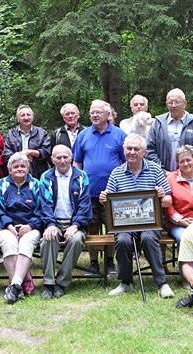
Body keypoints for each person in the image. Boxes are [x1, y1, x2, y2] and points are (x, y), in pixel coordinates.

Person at [99, 134, 175, 298]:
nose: (132, 152)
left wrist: (162, 196)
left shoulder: (155, 169)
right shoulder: (117, 173)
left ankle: (161, 283)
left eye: (136, 149)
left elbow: (169, 201)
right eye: (128, 148)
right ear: (124, 150)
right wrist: (104, 198)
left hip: (150, 223)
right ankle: (126, 282)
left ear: (144, 152)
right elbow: (109, 200)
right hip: (124, 224)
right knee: (123, 240)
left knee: (148, 238)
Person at [73, 99, 127, 274]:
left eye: (98, 112)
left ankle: (110, 263)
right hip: (89, 192)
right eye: (91, 112)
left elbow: (126, 162)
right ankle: (93, 263)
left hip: (113, 193)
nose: (94, 115)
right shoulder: (83, 135)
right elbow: (77, 163)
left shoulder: (119, 134)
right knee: (92, 227)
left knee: (113, 228)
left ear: (107, 114)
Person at [0, 153, 50, 304]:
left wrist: (31, 225)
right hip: (7, 227)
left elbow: (41, 209)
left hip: (31, 227)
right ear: (9, 169)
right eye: (16, 166)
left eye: (23, 166)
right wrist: (9, 226)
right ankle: (18, 285)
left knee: (26, 243)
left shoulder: (37, 185)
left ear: (28, 168)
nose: (19, 169)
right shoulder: (1, 185)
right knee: (8, 242)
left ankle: (14, 285)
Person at [39, 145, 92, 299]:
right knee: (48, 239)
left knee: (76, 240)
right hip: (54, 222)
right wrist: (50, 224)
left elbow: (84, 204)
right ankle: (48, 283)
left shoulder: (81, 176)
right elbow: (45, 203)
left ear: (71, 158)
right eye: (58, 157)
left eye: (65, 157)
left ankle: (61, 282)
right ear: (52, 159)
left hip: (75, 223)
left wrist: (75, 225)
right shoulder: (46, 177)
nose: (62, 161)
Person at [146, 88, 193, 172]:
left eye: (177, 102)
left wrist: (187, 170)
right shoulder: (158, 123)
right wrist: (162, 171)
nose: (173, 105)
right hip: (161, 177)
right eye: (170, 102)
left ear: (184, 103)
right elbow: (150, 149)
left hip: (187, 176)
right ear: (166, 104)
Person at [2, 105, 51, 179]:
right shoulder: (11, 134)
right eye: (22, 115)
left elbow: (46, 152)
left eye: (28, 115)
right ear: (18, 119)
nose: (26, 118)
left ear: (32, 117)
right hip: (17, 173)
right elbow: (6, 154)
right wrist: (21, 156)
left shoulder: (42, 133)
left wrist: (30, 152)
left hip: (38, 174)